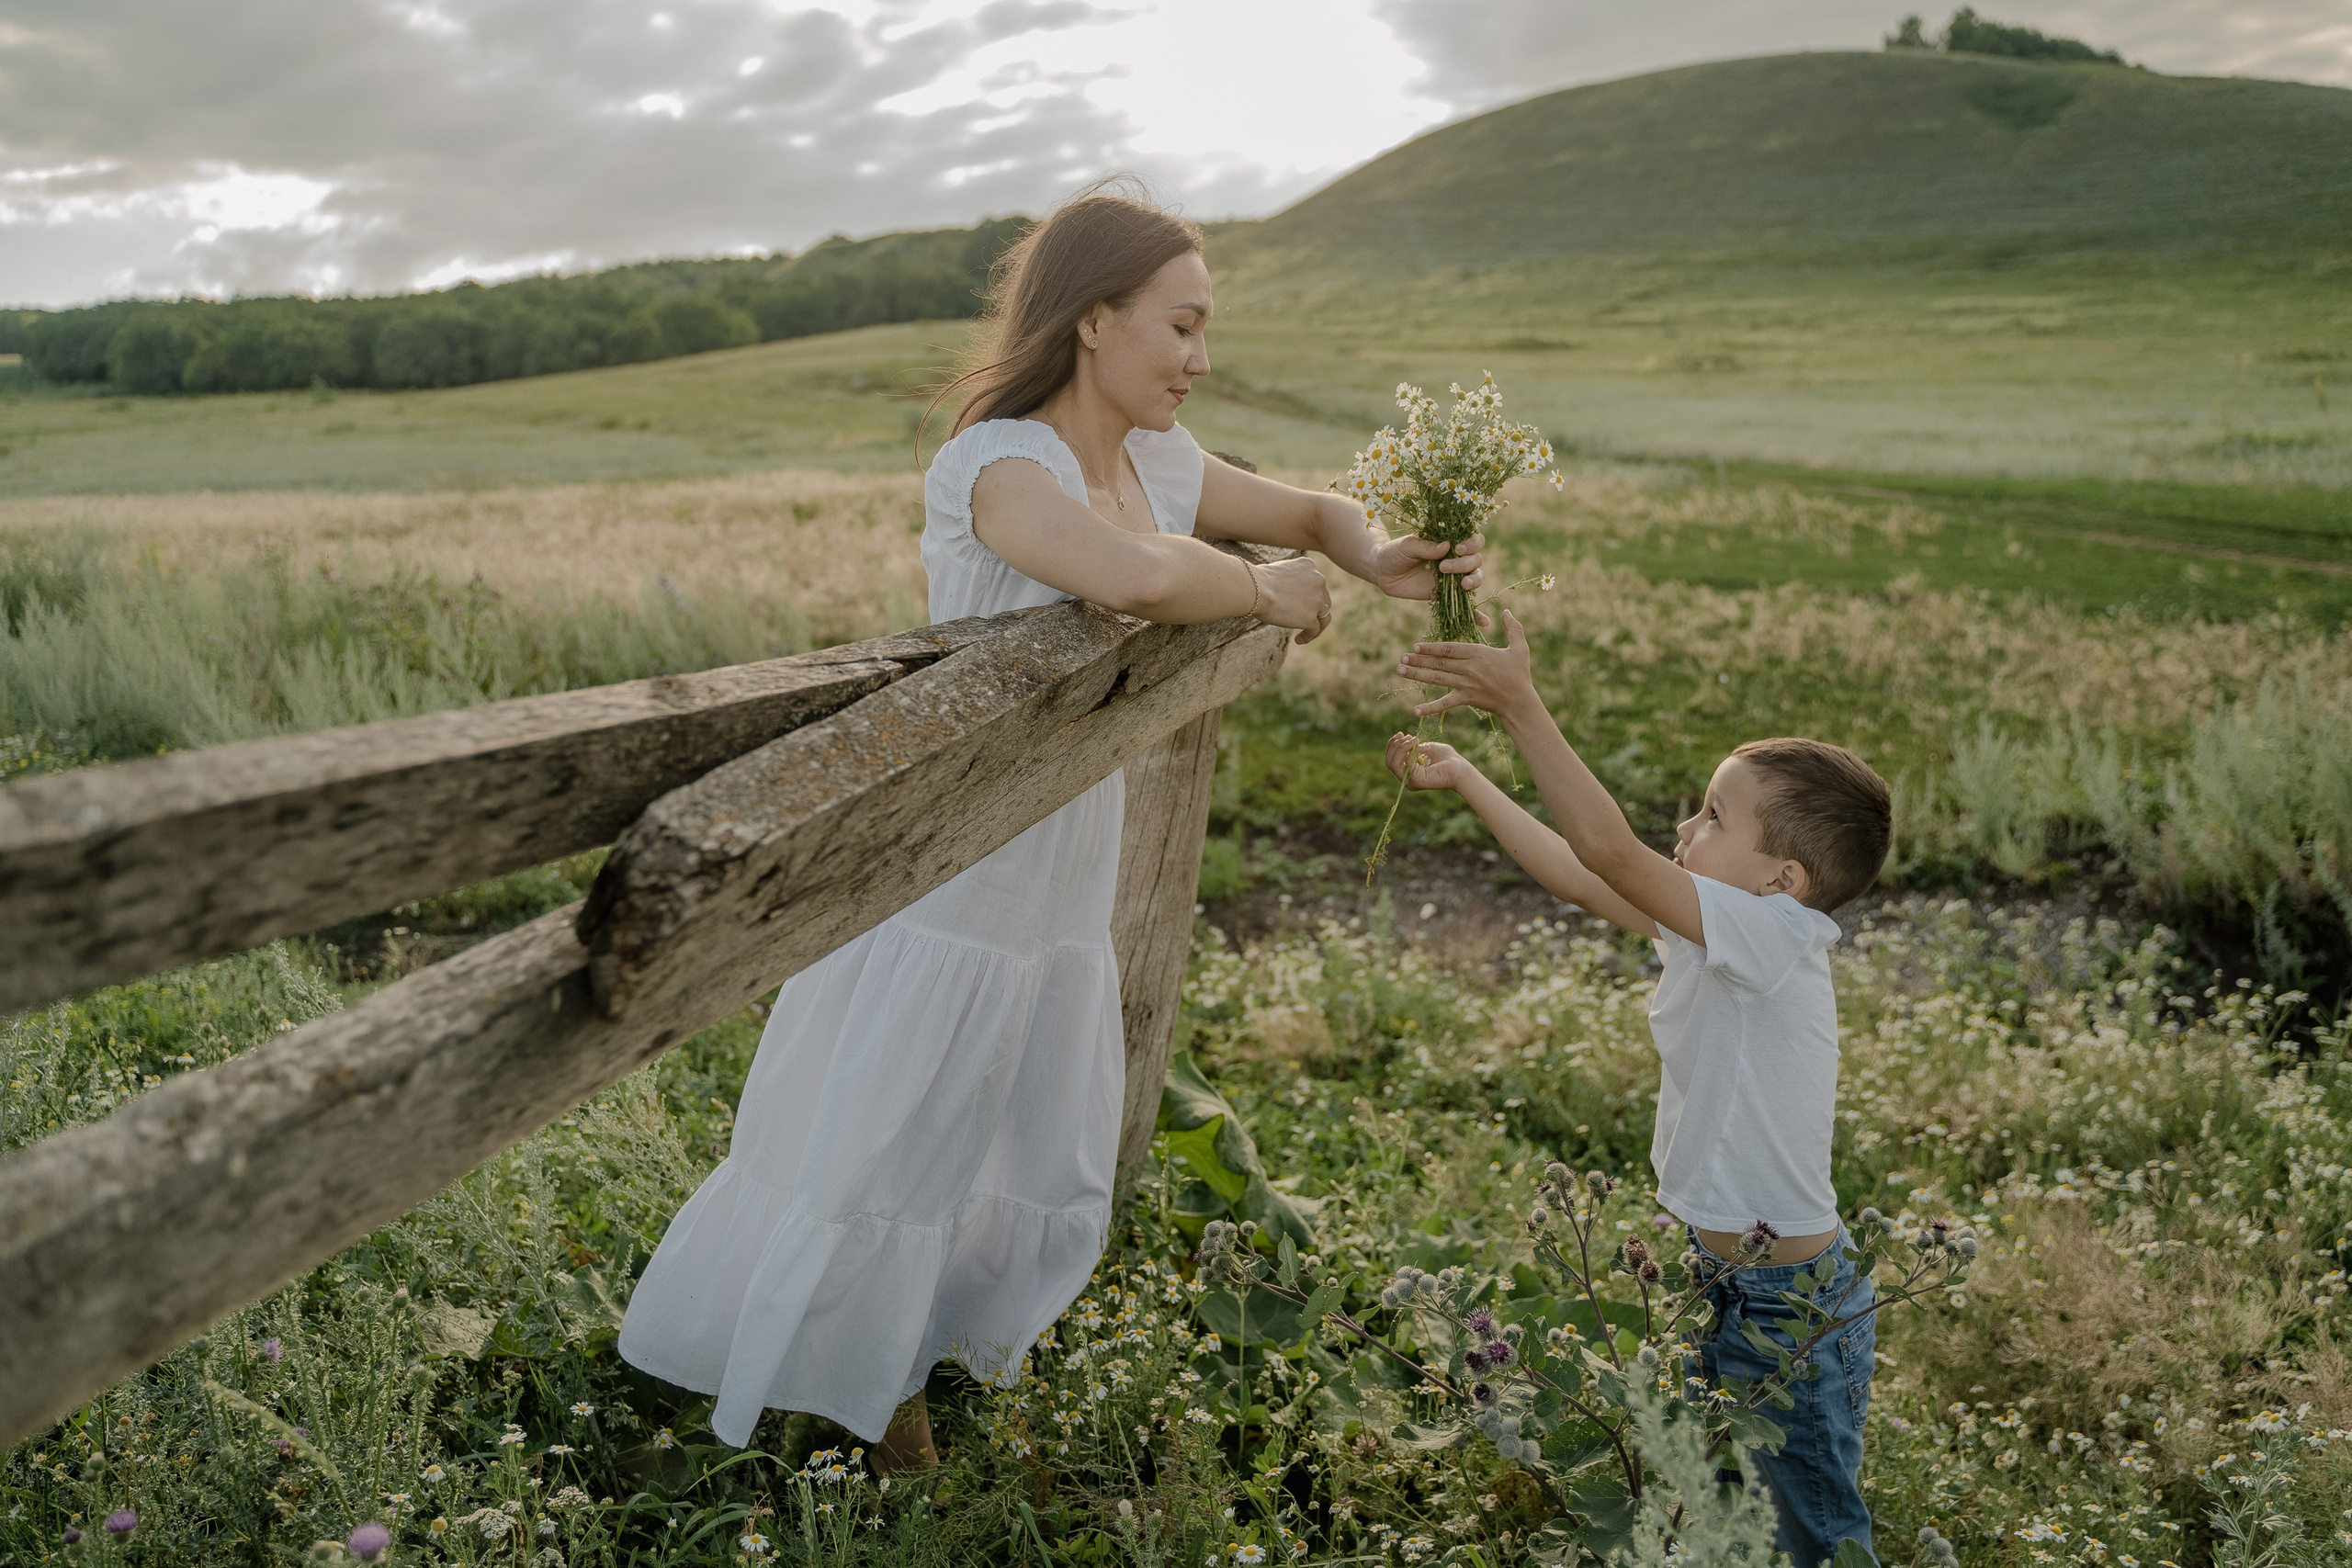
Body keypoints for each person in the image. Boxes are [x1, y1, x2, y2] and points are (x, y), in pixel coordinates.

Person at [616, 183, 1486, 1468]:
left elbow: (1307, 511)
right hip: (950, 875)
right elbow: (1136, 574)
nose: (1202, 357)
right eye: (1181, 326)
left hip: (1056, 876)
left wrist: (1370, 554)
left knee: (1009, 1134)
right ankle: (860, 1413)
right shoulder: (998, 464)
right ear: (1094, 320)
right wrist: (1261, 590)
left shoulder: (1158, 464)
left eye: (1206, 331)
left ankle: (915, 1362)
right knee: (891, 1143)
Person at [1384, 611, 1893, 1568]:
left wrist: (1520, 704)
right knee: (1719, 1514)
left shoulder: (1775, 939)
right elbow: (1587, 878)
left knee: (1817, 1537)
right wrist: (1469, 777)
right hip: (1723, 1285)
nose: (1683, 828)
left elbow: (1614, 854)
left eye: (1711, 817)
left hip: (1791, 1307)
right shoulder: (1723, 930)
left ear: (1784, 880)